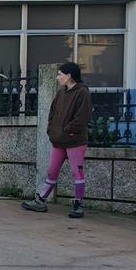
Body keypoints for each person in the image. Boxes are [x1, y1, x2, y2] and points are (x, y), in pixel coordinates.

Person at [22, 62, 92, 218]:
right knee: (52, 171)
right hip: (58, 141)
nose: (57, 77)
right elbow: (52, 113)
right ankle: (41, 200)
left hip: (75, 141)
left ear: (69, 76)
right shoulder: (61, 93)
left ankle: (78, 204)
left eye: (60, 74)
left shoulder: (82, 93)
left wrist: (69, 130)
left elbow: (83, 116)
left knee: (77, 172)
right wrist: (51, 130)